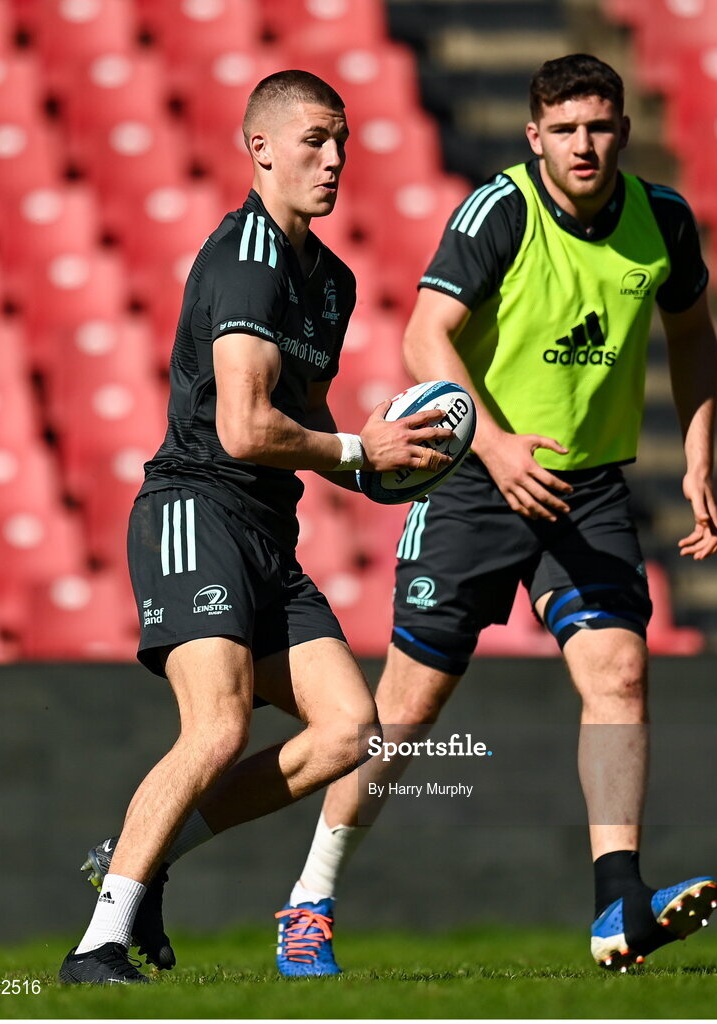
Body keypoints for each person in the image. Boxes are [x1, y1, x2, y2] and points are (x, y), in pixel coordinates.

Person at [272, 52, 717, 975]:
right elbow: (422, 334)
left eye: (598, 127)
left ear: (624, 132)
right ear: (535, 138)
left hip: (587, 486)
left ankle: (616, 905)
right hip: (470, 482)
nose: (583, 144)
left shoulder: (663, 221)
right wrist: (493, 445)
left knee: (619, 674)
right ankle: (309, 901)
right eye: (563, 130)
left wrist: (697, 457)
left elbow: (692, 333)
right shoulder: (501, 209)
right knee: (403, 714)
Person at [59, 69, 453, 985]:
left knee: (350, 728)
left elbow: (306, 427)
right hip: (195, 511)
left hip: (266, 532)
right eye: (313, 139)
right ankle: (96, 944)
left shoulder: (332, 280)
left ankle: (141, 865)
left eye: (342, 140)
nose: (334, 158)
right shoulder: (244, 257)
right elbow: (243, 429)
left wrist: (382, 470)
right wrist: (360, 446)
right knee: (216, 727)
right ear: (260, 148)